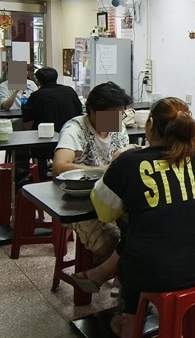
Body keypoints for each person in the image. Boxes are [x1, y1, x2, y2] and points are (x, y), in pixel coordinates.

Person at [90, 97, 195, 338]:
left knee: (136, 241)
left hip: (154, 272)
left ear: (150, 124)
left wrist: (115, 162)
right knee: (151, 229)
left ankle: (130, 321)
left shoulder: (130, 162)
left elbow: (104, 213)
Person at [53, 82, 136, 293]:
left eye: (121, 115)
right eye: (112, 115)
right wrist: (106, 168)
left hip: (109, 197)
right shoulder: (75, 128)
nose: (118, 121)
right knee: (112, 244)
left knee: (141, 235)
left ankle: (120, 283)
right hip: (79, 202)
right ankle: (116, 281)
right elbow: (60, 167)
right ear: (93, 111)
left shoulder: (118, 128)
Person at [21, 67, 82, 131]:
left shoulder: (37, 95)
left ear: (38, 81)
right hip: (69, 131)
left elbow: (27, 122)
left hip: (45, 135)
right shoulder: (70, 91)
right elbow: (79, 111)